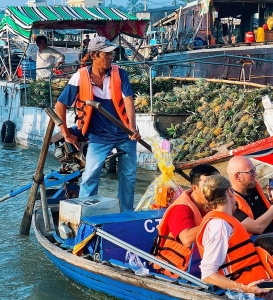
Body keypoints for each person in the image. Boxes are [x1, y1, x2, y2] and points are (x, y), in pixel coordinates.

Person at [54, 36, 140, 212]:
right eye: (106, 54)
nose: (111, 57)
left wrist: (132, 127)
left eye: (111, 54)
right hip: (99, 137)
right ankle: (84, 214)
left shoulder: (119, 74)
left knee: (129, 176)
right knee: (90, 175)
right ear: (94, 55)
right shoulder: (80, 77)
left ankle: (126, 214)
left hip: (124, 133)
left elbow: (128, 101)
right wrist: (66, 134)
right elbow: (59, 105)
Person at [151, 164, 219, 277]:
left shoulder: (216, 203)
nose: (214, 188)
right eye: (208, 183)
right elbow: (186, 239)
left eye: (217, 183)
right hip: (179, 270)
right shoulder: (181, 208)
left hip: (204, 264)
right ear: (194, 188)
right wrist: (217, 221)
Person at [227, 156, 273, 234]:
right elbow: (257, 228)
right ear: (237, 177)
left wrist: (272, 202)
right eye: (251, 172)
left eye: (254, 169)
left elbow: (272, 213)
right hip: (257, 241)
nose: (255, 174)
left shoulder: (252, 187)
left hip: (272, 234)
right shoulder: (230, 203)